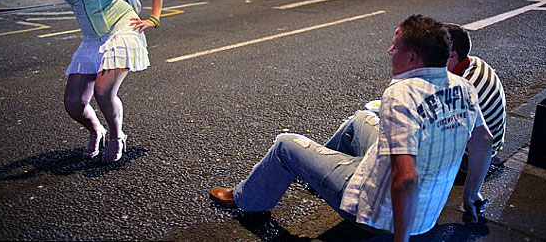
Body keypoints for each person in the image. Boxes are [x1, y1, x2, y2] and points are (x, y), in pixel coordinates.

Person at [210, 15, 493, 241]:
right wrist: (470, 198)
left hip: (377, 214)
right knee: (361, 120)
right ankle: (314, 173)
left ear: (412, 58)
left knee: (286, 144)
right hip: (426, 213)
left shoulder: (402, 94)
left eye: (396, 46)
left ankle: (247, 199)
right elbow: (484, 140)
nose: (390, 50)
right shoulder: (463, 87)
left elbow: (405, 178)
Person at [15, 0, 163, 163]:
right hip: (91, 39)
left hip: (122, 29)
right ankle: (97, 129)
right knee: (73, 103)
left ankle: (117, 136)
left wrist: (153, 18)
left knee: (103, 91)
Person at [445, 24, 506, 172]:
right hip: (490, 142)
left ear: (452, 55)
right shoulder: (474, 62)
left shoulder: (461, 89)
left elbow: (442, 133)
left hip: (473, 157)